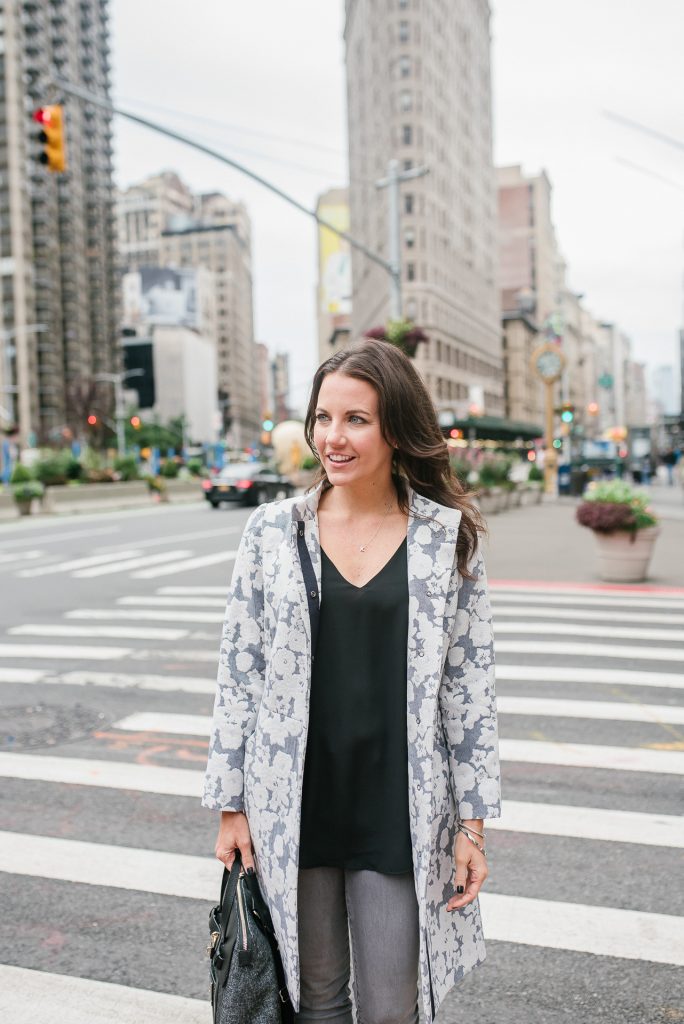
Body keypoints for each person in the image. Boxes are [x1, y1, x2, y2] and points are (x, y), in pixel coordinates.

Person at [202, 339, 502, 1024]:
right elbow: (238, 671)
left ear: (396, 428)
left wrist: (473, 826)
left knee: (394, 1007)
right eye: (322, 417)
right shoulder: (274, 533)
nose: (332, 438)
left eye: (356, 420)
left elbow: (469, 689)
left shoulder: (446, 538)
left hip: (399, 802)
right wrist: (231, 803)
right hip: (293, 800)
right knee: (316, 1003)